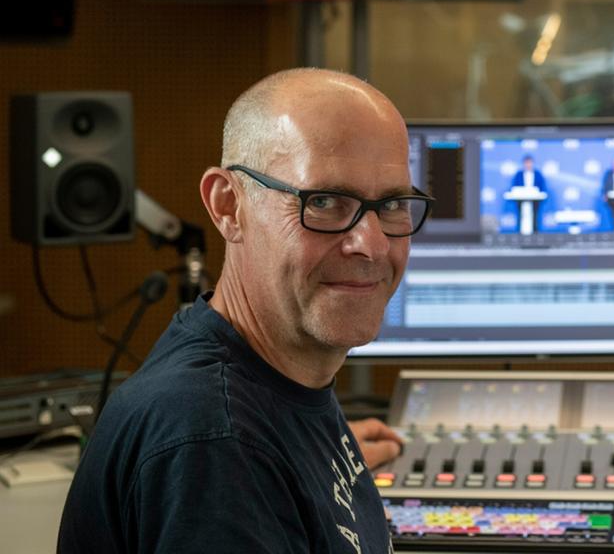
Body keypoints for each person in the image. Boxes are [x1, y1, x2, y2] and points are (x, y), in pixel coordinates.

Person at [59, 69, 431, 553]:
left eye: (394, 204)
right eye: (324, 202)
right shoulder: (214, 443)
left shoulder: (268, 395)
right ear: (228, 206)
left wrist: (307, 464)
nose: (372, 245)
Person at [508, 154, 548, 232]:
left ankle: (535, 232)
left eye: (530, 163)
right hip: (521, 199)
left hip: (535, 199)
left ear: (532, 163)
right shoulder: (518, 175)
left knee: (535, 216)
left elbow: (542, 187)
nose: (528, 165)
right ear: (524, 164)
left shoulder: (538, 174)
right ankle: (520, 232)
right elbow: (514, 186)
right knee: (521, 215)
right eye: (526, 163)